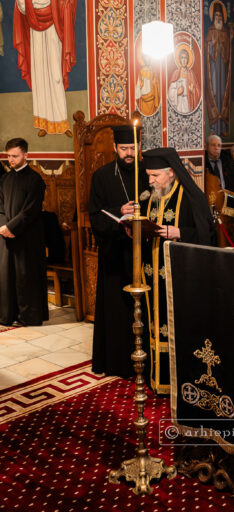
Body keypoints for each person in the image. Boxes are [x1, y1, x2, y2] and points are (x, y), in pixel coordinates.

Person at [142, 147, 215, 393]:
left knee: (177, 325)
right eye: (149, 176)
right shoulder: (150, 197)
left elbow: (207, 236)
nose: (151, 181)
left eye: (155, 176)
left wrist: (180, 232)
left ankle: (179, 379)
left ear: (171, 172)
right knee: (154, 322)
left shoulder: (192, 197)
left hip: (181, 276)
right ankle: (157, 377)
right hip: (152, 273)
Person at [89, 125, 149, 378]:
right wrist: (119, 212)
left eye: (133, 148)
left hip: (144, 250)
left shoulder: (148, 173)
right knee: (117, 309)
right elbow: (95, 216)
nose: (129, 153)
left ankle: (147, 359)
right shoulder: (102, 176)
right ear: (115, 148)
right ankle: (117, 362)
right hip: (115, 252)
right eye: (124, 148)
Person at [9, 0, 76, 137]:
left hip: (53, 27)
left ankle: (62, 123)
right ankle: (43, 124)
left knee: (55, 74)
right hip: (35, 29)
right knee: (39, 74)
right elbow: (24, 6)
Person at [0, 138, 48, 327]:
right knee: (7, 276)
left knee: (26, 277)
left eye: (15, 156)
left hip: (28, 235)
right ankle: (7, 314)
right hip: (6, 235)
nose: (11, 160)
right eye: (9, 156)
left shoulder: (35, 180)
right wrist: (4, 227)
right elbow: (0, 207)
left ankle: (28, 316)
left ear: (26, 155)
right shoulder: (4, 179)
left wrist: (12, 227)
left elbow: (31, 210)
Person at [205, 3, 233, 136]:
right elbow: (207, 48)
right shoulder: (210, 31)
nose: (218, 18)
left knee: (223, 95)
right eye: (216, 15)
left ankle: (222, 127)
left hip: (222, 67)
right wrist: (212, 44)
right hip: (213, 68)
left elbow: (228, 52)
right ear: (213, 17)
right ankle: (213, 127)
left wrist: (229, 40)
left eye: (220, 15)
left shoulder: (225, 32)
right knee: (214, 93)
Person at [168, 46, 200, 115]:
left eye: (185, 58)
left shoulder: (191, 74)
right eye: (182, 58)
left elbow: (198, 92)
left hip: (188, 103)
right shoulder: (176, 73)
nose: (184, 60)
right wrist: (177, 92)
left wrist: (192, 90)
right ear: (180, 60)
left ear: (188, 60)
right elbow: (170, 92)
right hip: (178, 103)